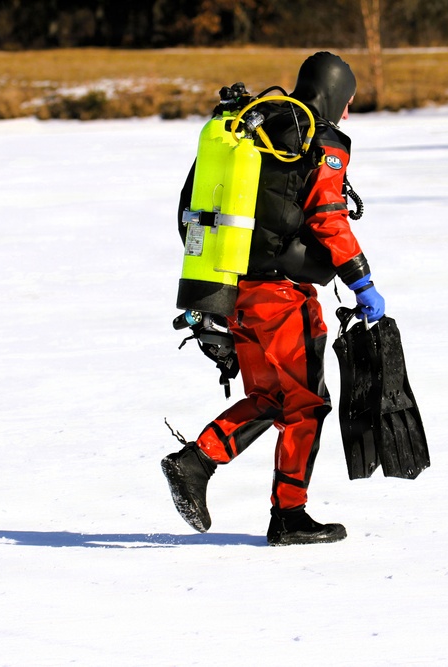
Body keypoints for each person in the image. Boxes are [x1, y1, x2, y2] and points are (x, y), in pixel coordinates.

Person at [163, 52, 385, 546]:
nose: (346, 113)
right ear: (334, 94)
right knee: (306, 402)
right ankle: (290, 515)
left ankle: (195, 463)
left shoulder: (251, 128)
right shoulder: (318, 139)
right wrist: (362, 281)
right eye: (346, 102)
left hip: (232, 284)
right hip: (281, 297)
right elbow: (328, 215)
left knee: (268, 398)